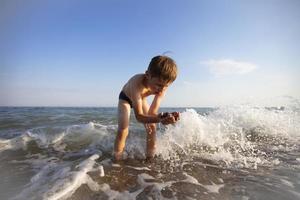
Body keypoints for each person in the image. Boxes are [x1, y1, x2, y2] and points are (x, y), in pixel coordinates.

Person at [114, 55, 180, 160]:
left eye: (166, 86)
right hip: (126, 99)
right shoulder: (137, 83)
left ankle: (150, 157)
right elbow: (139, 117)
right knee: (123, 129)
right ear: (148, 75)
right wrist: (160, 118)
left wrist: (165, 116)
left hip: (141, 99)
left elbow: (152, 113)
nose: (162, 89)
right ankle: (117, 158)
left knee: (152, 127)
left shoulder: (162, 88)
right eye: (159, 85)